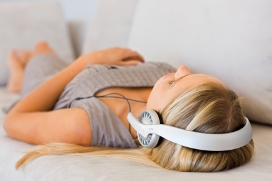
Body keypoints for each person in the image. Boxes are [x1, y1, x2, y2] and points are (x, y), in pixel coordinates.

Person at [4, 42, 254, 172]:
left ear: (151, 125)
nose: (182, 68)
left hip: (50, 84)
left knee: (41, 49)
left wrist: (84, 62)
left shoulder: (86, 124)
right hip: (82, 72)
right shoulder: (165, 89)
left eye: (176, 81)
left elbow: (13, 120)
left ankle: (19, 78)